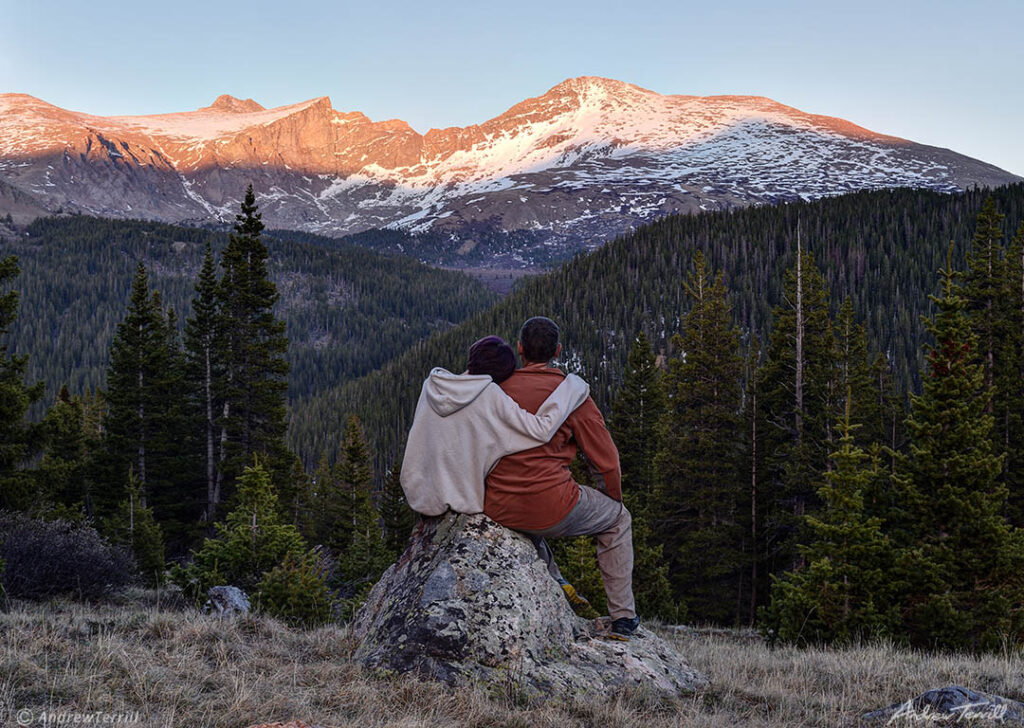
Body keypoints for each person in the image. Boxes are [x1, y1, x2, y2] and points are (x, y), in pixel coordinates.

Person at [484, 316, 641, 640]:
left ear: (520, 349)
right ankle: (623, 618)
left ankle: (557, 583)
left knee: (526, 527)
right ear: (557, 350)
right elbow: (606, 462)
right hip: (553, 504)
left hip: (498, 506)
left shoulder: (496, 389)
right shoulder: (571, 395)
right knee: (617, 520)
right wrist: (611, 498)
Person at [400, 335, 589, 521]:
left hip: (420, 496)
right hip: (461, 501)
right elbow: (540, 429)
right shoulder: (491, 395)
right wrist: (572, 386)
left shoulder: (433, 385)